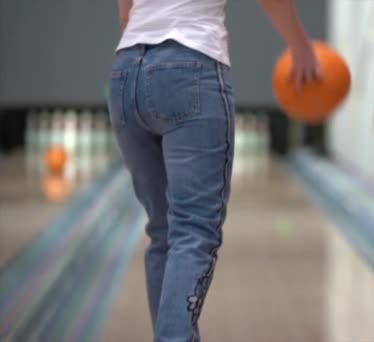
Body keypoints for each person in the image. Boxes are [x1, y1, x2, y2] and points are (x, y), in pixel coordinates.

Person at [107, 0, 320, 341]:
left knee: (163, 232)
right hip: (192, 62)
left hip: (126, 71)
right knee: (192, 232)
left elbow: (124, 10)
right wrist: (301, 46)